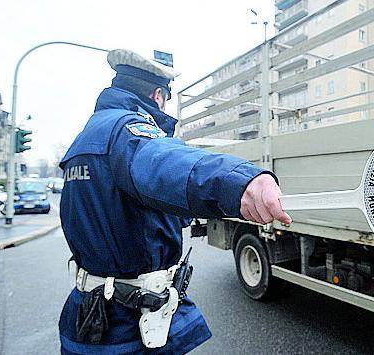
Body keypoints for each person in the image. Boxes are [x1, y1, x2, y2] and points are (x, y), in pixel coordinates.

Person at [58, 49, 291, 354]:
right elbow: (163, 163)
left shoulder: (87, 136)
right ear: (158, 96)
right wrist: (239, 181)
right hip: (125, 324)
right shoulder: (129, 133)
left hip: (91, 315)